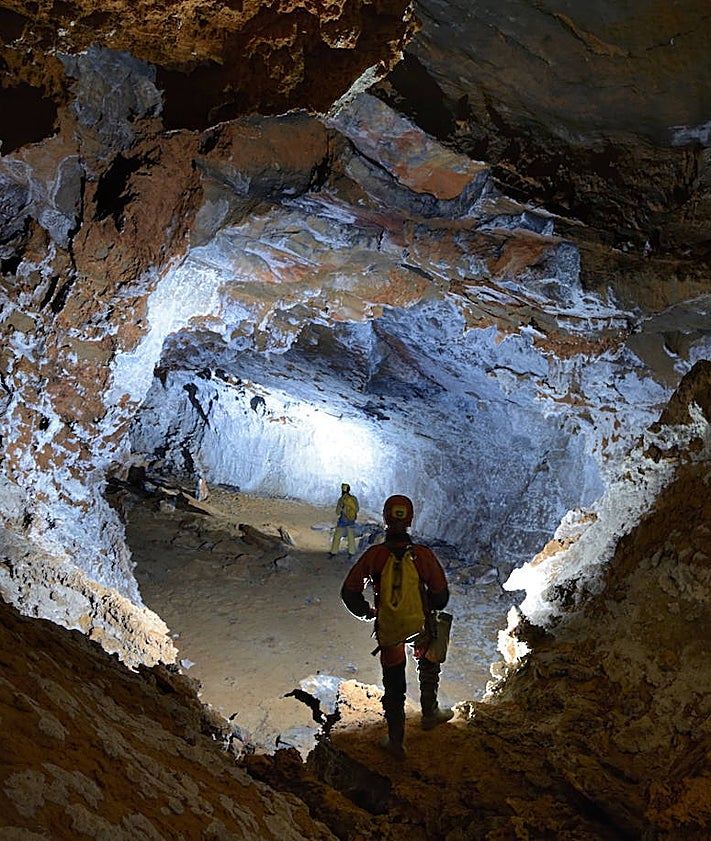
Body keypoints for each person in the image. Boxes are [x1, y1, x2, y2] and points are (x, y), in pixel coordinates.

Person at [341, 494, 454, 759]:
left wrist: (368, 613)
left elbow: (349, 592)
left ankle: (396, 741)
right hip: (419, 624)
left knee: (394, 685)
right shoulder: (423, 556)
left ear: (385, 518)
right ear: (411, 520)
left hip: (390, 629)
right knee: (428, 661)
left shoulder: (375, 556)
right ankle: (429, 713)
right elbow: (440, 598)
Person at [330, 482, 359, 558]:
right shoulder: (353, 499)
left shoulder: (341, 500)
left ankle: (334, 552)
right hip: (351, 520)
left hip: (342, 520)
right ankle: (351, 552)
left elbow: (337, 512)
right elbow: (357, 509)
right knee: (351, 537)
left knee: (337, 536)